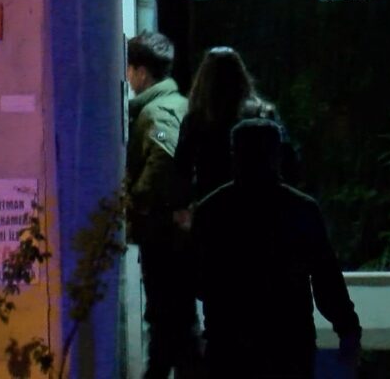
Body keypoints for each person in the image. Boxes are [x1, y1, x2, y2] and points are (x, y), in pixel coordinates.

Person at [191, 119, 361, 379]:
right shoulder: (302, 209)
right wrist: (348, 330)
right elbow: (327, 281)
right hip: (290, 344)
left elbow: (197, 282)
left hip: (229, 346)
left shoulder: (210, 210)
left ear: (235, 156)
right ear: (277, 156)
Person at [123, 31, 200, 379]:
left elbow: (164, 161)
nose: (127, 78)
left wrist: (136, 199)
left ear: (141, 72)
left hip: (164, 235)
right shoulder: (176, 104)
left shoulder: (158, 111)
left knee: (171, 318)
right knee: (173, 323)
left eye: (129, 69)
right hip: (172, 235)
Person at [174, 46, 297, 207]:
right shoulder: (263, 114)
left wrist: (183, 205)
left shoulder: (196, 120)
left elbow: (182, 169)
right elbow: (288, 159)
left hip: (213, 206)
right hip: (262, 203)